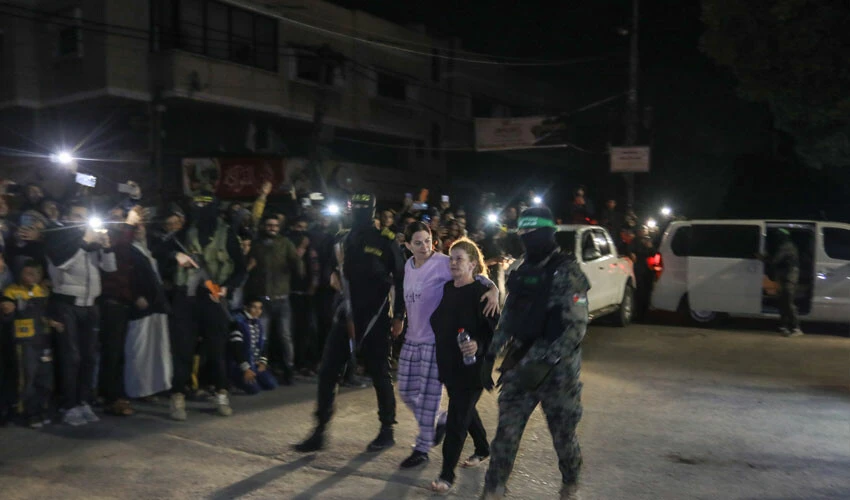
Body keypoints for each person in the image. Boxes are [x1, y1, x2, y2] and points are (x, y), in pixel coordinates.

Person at [481, 206, 590, 500]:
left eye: (531, 233)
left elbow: (575, 328)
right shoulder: (521, 269)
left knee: (563, 436)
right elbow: (509, 318)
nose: (526, 238)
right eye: (522, 234)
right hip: (520, 365)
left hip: (558, 373)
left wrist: (546, 362)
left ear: (546, 233)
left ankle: (570, 484)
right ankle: (493, 490)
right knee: (506, 434)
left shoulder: (568, 272)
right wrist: (490, 355)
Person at [294, 193, 405, 453]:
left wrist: (399, 315)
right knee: (328, 372)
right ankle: (320, 430)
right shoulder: (343, 237)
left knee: (379, 373)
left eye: (363, 208)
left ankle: (387, 429)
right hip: (345, 314)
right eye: (355, 207)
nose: (358, 211)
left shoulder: (385, 241)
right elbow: (330, 267)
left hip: (375, 317)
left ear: (372, 211)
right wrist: (331, 275)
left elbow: (401, 279)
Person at [395, 222, 499, 469]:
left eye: (428, 241)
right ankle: (444, 420)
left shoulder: (443, 262)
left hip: (435, 342)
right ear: (407, 245)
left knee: (433, 398)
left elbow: (475, 274)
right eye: (418, 243)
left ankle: (423, 449)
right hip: (412, 338)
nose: (424, 247)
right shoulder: (408, 266)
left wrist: (493, 289)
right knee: (407, 391)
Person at [160, 192, 246, 420]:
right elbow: (158, 249)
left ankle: (221, 394)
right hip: (185, 300)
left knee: (217, 350)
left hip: (214, 299)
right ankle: (177, 396)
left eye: (204, 205)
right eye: (196, 204)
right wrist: (175, 254)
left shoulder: (226, 235)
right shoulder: (185, 233)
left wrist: (227, 288)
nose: (199, 208)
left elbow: (240, 269)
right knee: (183, 351)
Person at [428, 239, 498, 494]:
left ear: (472, 265)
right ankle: (482, 448)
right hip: (449, 365)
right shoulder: (447, 288)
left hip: (472, 369)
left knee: (457, 418)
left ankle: (446, 475)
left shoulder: (482, 294)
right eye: (451, 258)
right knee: (465, 409)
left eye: (460, 259)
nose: (454, 263)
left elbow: (494, 334)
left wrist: (478, 344)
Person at [44, 201, 116, 426]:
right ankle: (69, 405)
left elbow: (110, 268)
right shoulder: (57, 236)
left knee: (89, 357)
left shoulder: (90, 241)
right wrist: (84, 242)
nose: (81, 221)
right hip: (67, 304)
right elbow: (62, 264)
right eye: (76, 216)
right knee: (70, 357)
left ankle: (83, 401)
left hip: (91, 305)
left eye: (84, 217)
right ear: (66, 217)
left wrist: (106, 247)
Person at [244, 213, 304, 385]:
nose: (272, 228)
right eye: (269, 225)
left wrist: (298, 269)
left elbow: (296, 262)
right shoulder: (256, 245)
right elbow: (247, 266)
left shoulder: (285, 243)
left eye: (275, 226)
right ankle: (259, 370)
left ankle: (289, 370)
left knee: (285, 336)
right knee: (261, 337)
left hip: (282, 298)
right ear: (264, 226)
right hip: (261, 300)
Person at [0, 260, 60, 428]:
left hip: (44, 341)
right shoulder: (12, 292)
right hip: (25, 343)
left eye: (35, 273)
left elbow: (48, 313)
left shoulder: (42, 291)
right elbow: (7, 316)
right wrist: (6, 311)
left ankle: (43, 409)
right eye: (28, 273)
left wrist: (53, 322)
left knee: (46, 377)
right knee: (27, 378)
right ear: (20, 274)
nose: (32, 276)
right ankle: (27, 413)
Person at [125, 222, 173, 400]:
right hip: (141, 306)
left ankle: (153, 387)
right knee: (139, 350)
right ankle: (139, 389)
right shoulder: (128, 250)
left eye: (141, 227)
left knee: (156, 350)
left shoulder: (147, 250)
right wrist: (135, 295)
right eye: (134, 228)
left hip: (156, 305)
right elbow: (126, 276)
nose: (138, 230)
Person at [228, 298, 278, 394]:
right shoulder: (238, 323)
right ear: (246, 308)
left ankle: (255, 379)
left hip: (255, 363)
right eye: (254, 308)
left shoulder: (258, 323)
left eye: (259, 308)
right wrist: (245, 369)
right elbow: (236, 348)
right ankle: (235, 382)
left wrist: (263, 362)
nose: (257, 311)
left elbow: (263, 345)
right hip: (241, 365)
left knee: (272, 384)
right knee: (254, 390)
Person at [771, 229, 803, 337]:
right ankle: (783, 327)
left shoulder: (786, 246)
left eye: (779, 236)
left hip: (789, 277)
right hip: (787, 276)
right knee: (783, 302)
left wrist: (764, 258)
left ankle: (796, 328)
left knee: (788, 302)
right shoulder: (789, 245)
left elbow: (776, 260)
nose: (777, 238)